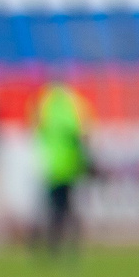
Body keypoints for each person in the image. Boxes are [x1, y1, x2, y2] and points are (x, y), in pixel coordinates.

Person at [34, 79, 91, 261]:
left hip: (52, 165)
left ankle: (54, 247)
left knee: (55, 209)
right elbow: (81, 133)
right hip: (69, 165)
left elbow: (38, 129)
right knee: (67, 208)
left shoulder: (46, 104)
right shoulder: (71, 105)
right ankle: (71, 248)